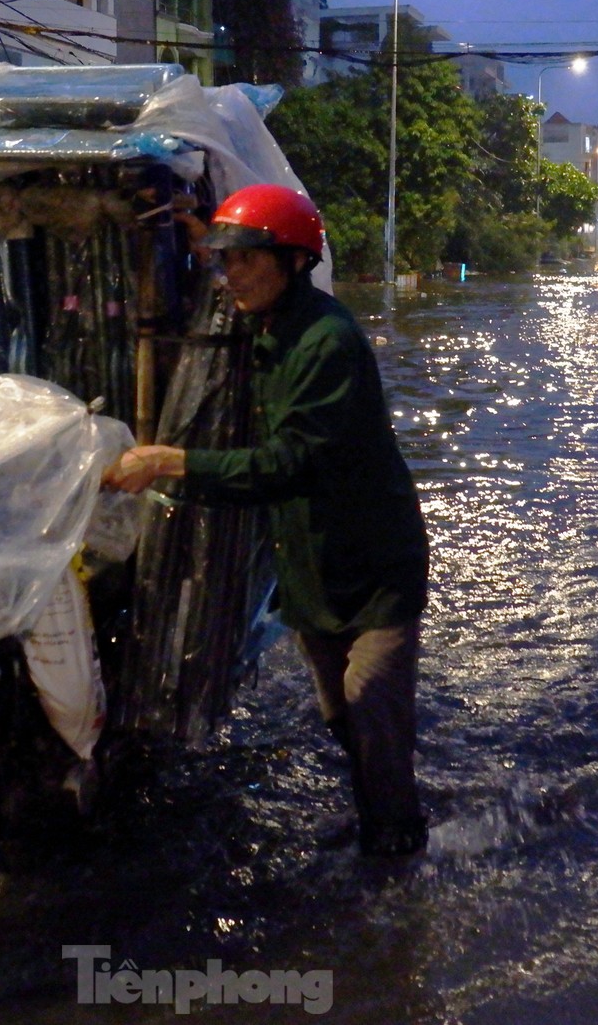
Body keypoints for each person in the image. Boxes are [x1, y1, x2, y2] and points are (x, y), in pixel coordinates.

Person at [102, 184, 431, 857]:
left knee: (369, 704)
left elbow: (287, 465)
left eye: (249, 259)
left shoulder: (327, 342)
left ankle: (398, 855)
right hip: (310, 568)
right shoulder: (265, 325)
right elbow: (211, 315)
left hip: (374, 569)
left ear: (292, 260)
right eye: (228, 262)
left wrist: (172, 461)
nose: (234, 274)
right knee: (344, 717)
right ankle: (378, 814)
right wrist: (198, 240)